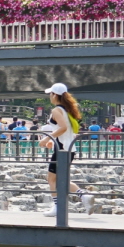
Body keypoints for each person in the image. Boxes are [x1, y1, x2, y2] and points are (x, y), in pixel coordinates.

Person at [42, 84, 87, 215]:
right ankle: (83, 196)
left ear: (55, 95)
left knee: (51, 179)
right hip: (69, 148)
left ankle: (58, 207)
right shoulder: (67, 110)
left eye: (51, 94)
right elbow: (66, 131)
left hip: (61, 150)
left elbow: (62, 128)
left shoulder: (56, 110)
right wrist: (52, 141)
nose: (50, 96)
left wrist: (46, 139)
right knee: (60, 178)